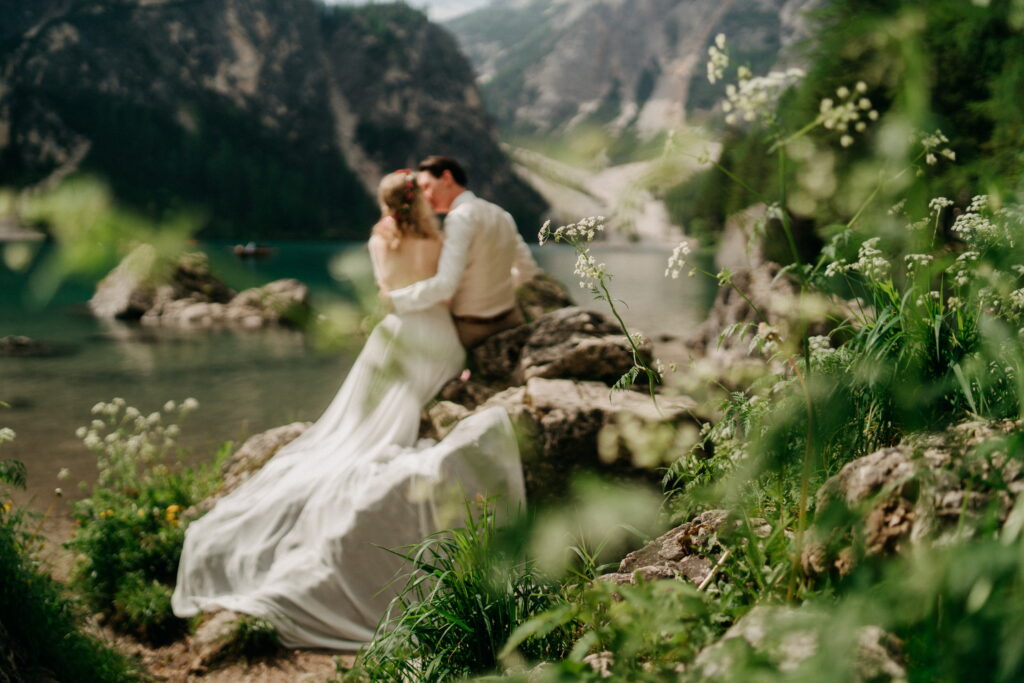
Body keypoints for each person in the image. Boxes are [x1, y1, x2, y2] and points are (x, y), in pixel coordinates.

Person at [171, 171, 525, 650]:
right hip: (444, 342)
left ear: (386, 205)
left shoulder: (380, 241)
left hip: (403, 333)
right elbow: (449, 285)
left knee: (356, 423)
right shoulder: (438, 237)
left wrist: (391, 294)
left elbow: (385, 292)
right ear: (419, 201)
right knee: (393, 414)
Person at [386, 156, 542, 349]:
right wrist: (498, 292)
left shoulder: (460, 218)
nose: (424, 196)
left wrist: (395, 300)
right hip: (511, 320)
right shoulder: (502, 214)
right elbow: (528, 271)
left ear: (446, 178)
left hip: (472, 331)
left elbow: (446, 285)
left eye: (426, 186)